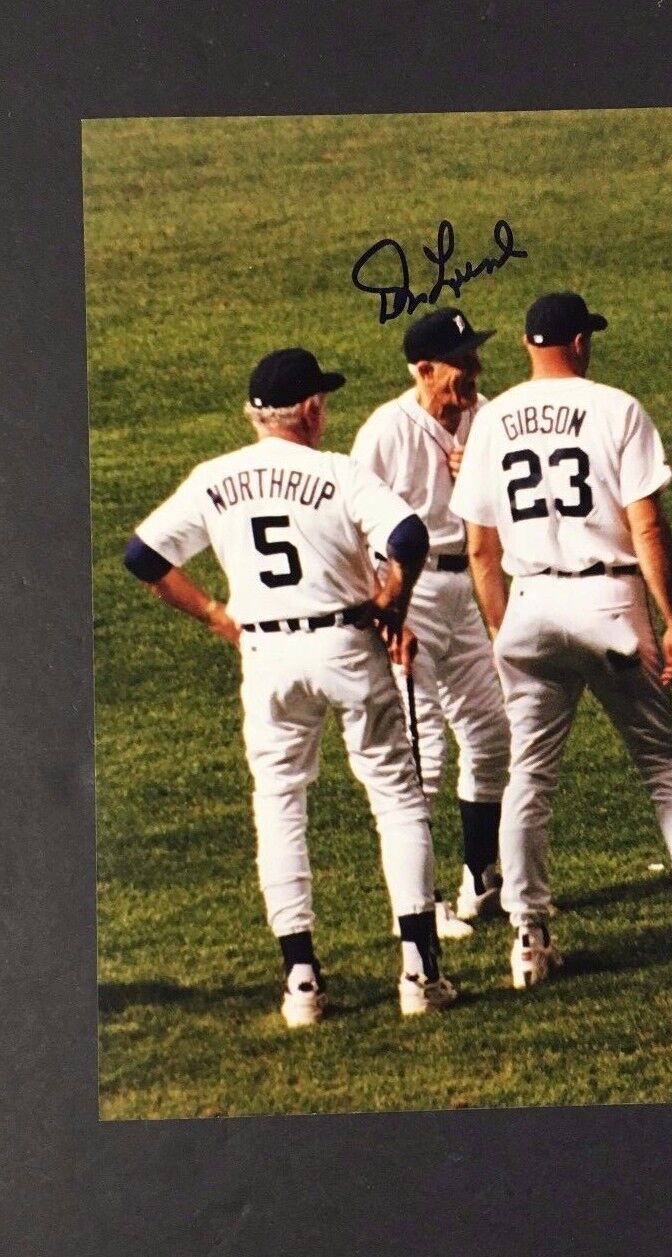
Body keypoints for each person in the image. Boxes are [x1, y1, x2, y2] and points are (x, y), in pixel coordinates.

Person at [123, 347, 458, 1024]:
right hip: (345, 646)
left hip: (267, 654)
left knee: (279, 803)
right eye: (323, 402)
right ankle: (419, 971)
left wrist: (217, 615)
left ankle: (300, 979)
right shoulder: (336, 471)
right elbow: (410, 536)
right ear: (308, 409)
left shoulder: (213, 476)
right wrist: (393, 602)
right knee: (395, 797)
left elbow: (143, 556)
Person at [450, 292, 672, 988]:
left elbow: (480, 551)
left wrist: (501, 633)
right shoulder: (616, 407)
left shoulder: (489, 422)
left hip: (528, 604)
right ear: (578, 342)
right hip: (608, 602)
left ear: (526, 344)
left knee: (529, 777)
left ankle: (527, 937)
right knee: (662, 765)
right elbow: (645, 528)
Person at [351, 308, 511, 934]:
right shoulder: (385, 431)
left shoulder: (486, 415)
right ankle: (418, 904)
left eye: (473, 356)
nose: (473, 370)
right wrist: (388, 608)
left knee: (491, 733)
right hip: (406, 595)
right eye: (460, 361)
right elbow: (355, 527)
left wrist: (481, 475)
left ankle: (481, 878)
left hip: (468, 588)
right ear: (424, 370)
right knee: (422, 753)